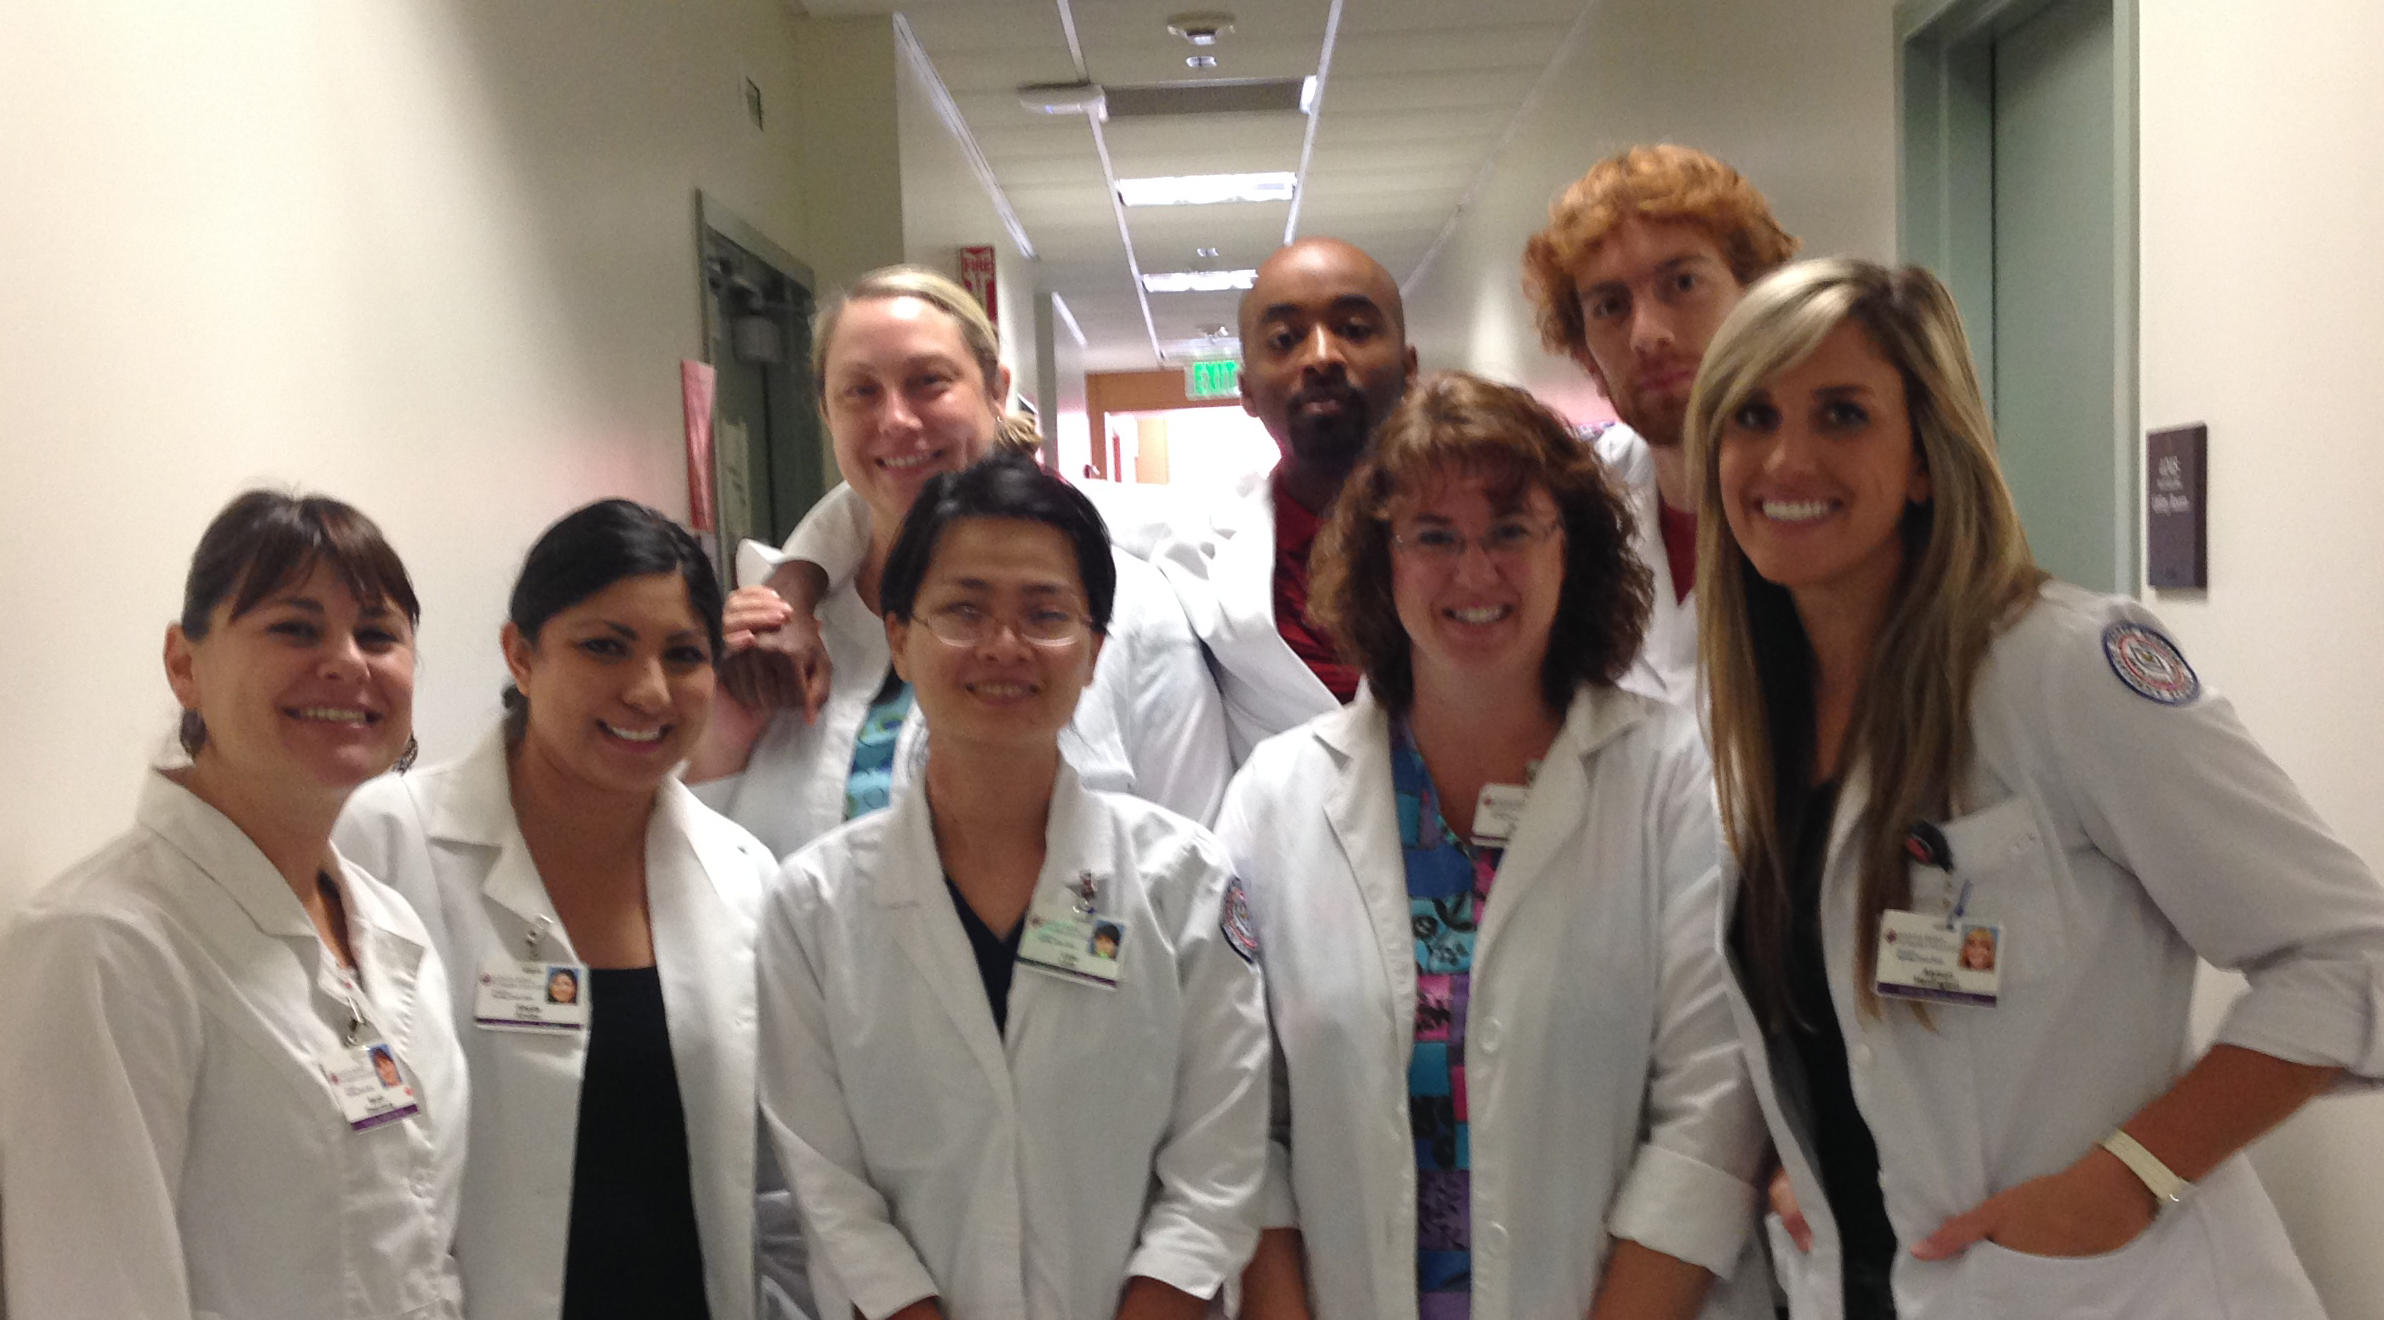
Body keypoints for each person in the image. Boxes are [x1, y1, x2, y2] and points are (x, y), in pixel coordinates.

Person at [1688, 258, 2384, 1320]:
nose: (1788, 457)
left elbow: (2352, 955)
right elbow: (1829, 1027)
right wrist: (1814, 1153)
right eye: (1752, 416)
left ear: (1926, 461)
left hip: (2109, 1289)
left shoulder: (2065, 669)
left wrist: (2127, 1180)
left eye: (1843, 415)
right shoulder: (1753, 724)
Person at [1216, 374, 1770, 1320]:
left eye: (1512, 530)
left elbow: (1710, 1116)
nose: (1474, 574)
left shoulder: (1674, 779)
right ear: (1381, 560)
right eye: (1433, 536)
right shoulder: (1275, 799)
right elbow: (1241, 1124)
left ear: (1574, 551)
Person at [759, 451, 1268, 1319]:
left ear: (1096, 650)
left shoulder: (1185, 883)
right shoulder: (813, 907)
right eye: (963, 610)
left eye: (1045, 614)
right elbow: (829, 1187)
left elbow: (1217, 1166)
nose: (1004, 646)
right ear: (899, 638)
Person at [0, 490, 468, 1319]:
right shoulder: (100, 949)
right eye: (295, 628)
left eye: (378, 634)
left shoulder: (389, 926)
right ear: (184, 664)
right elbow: (94, 1294)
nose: (347, 662)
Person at [337, 499, 788, 1320]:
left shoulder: (744, 876)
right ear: (521, 653)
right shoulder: (385, 844)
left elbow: (775, 1182)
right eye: (604, 647)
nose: (649, 690)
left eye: (684, 654)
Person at [736, 237, 1421, 764]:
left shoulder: (1490, 538)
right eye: (860, 390)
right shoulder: (1195, 533)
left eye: (929, 382)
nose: (1322, 357)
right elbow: (894, 497)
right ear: (1241, 387)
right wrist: (793, 587)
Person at [691, 264, 1232, 851]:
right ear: (826, 412)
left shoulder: (1133, 610)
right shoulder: (777, 638)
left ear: (997, 391)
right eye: (860, 390)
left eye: (928, 381)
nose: (896, 419)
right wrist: (722, 724)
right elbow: (715, 867)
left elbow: (1196, 864)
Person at [1521, 144, 1801, 716]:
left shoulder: (1838, 497)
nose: (1647, 334)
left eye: (1682, 284)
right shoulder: (1568, 506)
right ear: (1585, 355)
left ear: (1759, 296)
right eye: (1610, 306)